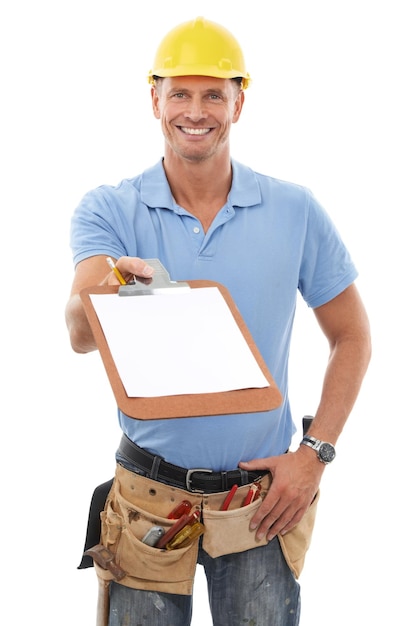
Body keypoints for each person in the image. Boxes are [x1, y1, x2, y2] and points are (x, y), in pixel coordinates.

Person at [65, 16, 371, 626]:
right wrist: (110, 288)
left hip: (258, 503)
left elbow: (353, 336)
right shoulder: (110, 208)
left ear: (239, 101)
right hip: (148, 501)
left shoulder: (295, 209)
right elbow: (78, 333)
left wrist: (314, 454)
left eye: (213, 93)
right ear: (155, 98)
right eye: (179, 92)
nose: (195, 110)